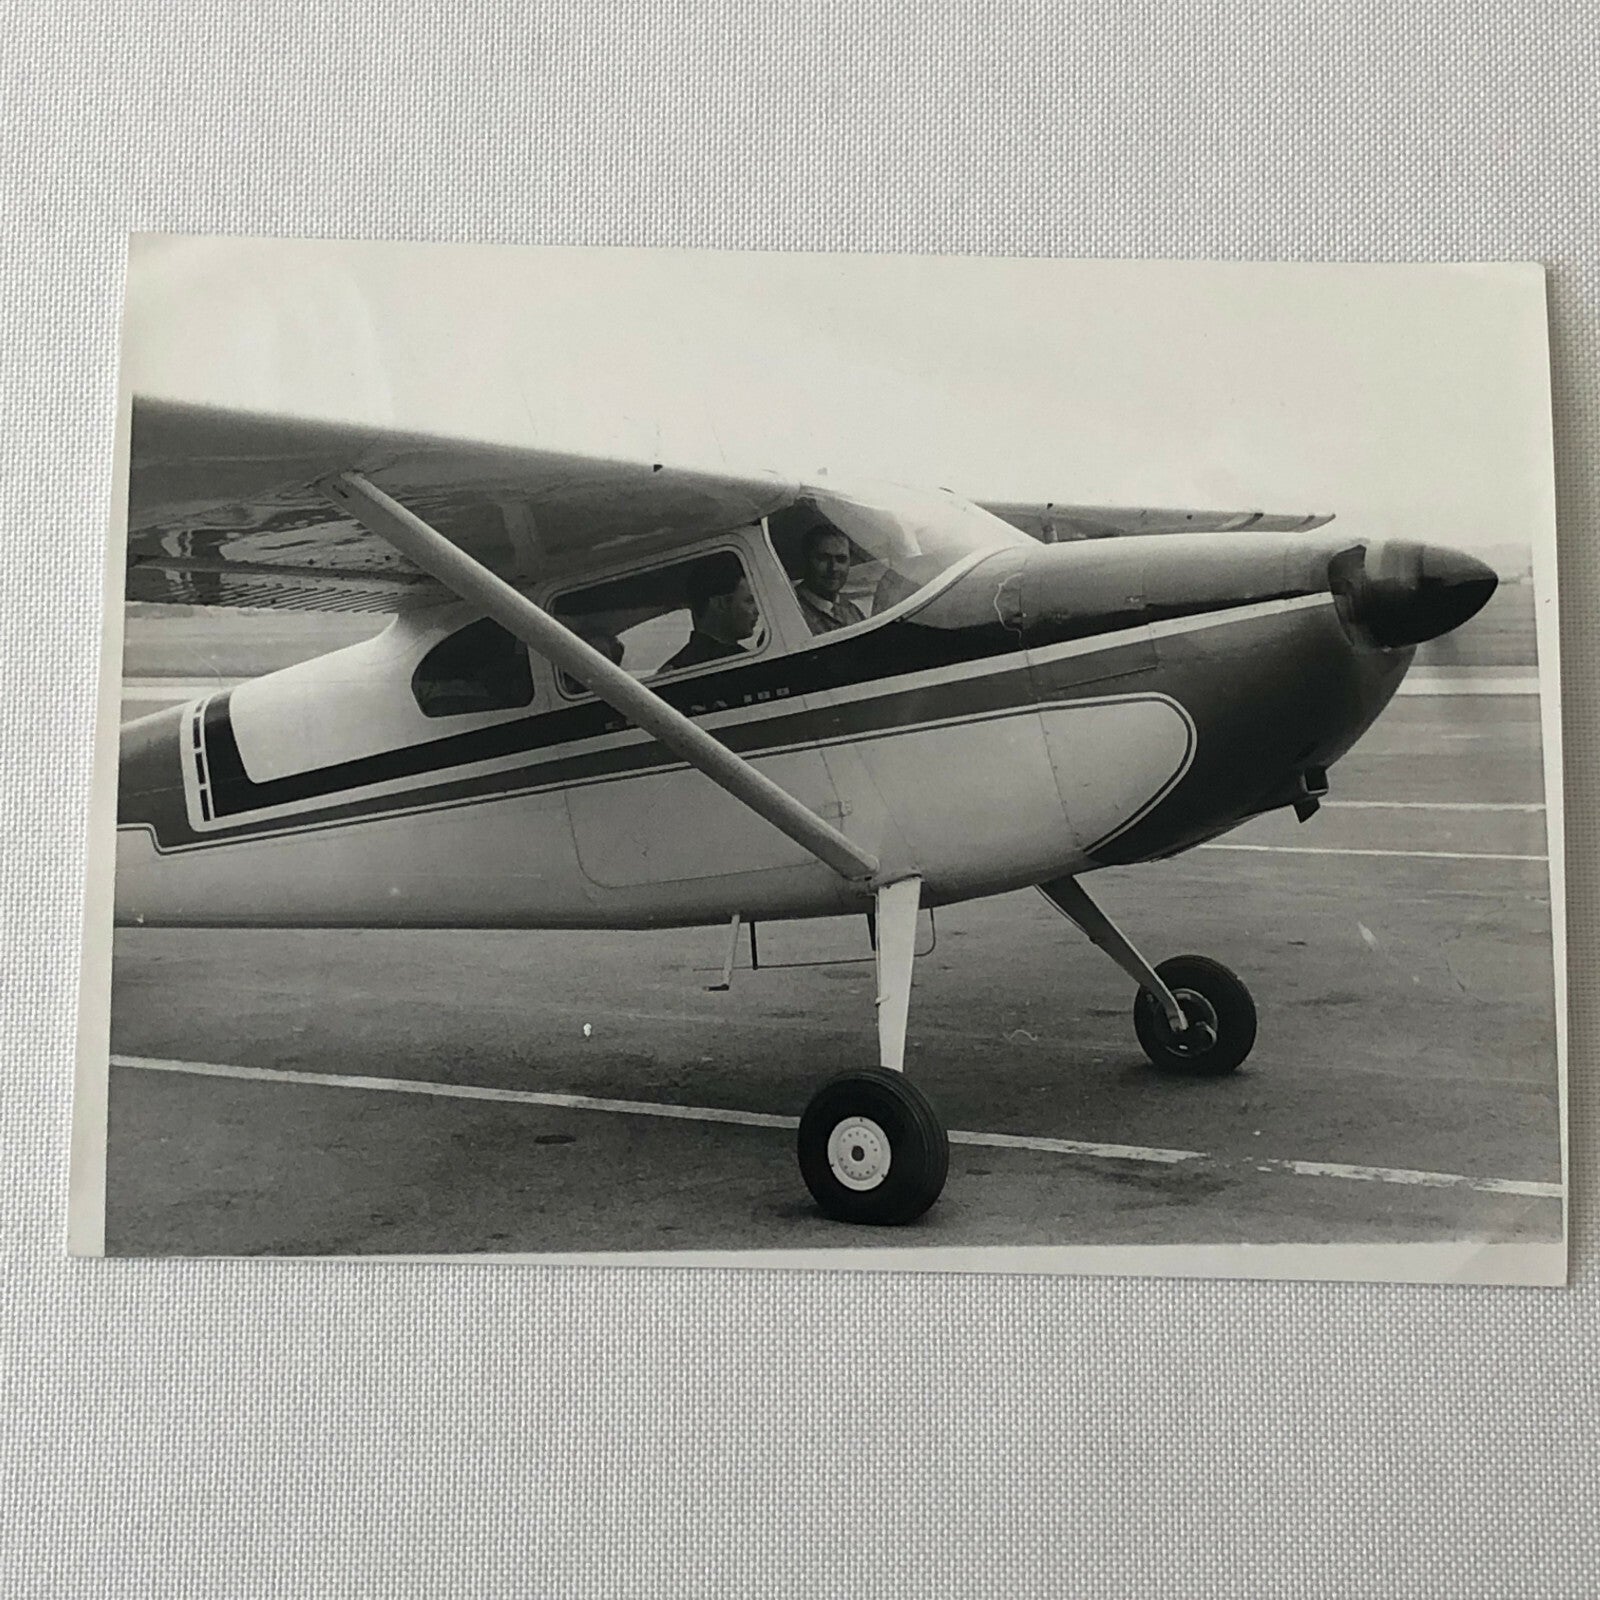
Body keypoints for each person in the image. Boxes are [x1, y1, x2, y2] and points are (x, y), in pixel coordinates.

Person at [662, 554, 761, 671]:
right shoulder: (748, 663)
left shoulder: (676, 668)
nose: (757, 611)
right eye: (749, 601)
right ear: (720, 603)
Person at [793, 525, 865, 634]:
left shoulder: (853, 612)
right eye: (823, 559)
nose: (834, 568)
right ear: (806, 560)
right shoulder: (792, 611)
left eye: (841, 559)